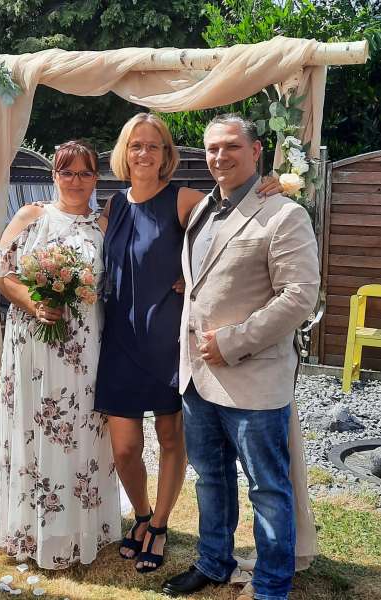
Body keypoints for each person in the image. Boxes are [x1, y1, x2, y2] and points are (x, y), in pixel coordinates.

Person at [94, 113, 281, 573]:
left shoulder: (184, 200)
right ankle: (140, 515)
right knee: (124, 448)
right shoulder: (112, 206)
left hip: (168, 340)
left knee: (169, 437)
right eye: (136, 145)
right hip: (118, 340)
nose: (144, 153)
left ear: (166, 153)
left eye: (153, 145)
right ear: (124, 152)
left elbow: (233, 218)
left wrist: (271, 185)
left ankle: (159, 525)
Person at [162, 114, 320, 599]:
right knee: (210, 479)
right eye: (212, 148)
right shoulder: (202, 209)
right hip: (197, 377)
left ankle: (272, 585)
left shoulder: (283, 214)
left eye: (231, 146)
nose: (219, 156)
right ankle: (213, 562)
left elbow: (300, 296)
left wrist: (232, 341)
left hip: (253, 378)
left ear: (256, 151)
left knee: (267, 488)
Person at [0, 140, 121, 569]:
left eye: (85, 173)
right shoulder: (31, 217)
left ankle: (82, 528)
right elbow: (2, 274)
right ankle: (30, 529)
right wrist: (35, 304)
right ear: (54, 176)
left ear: (96, 178)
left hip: (86, 347)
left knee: (82, 430)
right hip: (33, 344)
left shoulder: (105, 226)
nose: (76, 181)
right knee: (34, 429)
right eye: (67, 172)